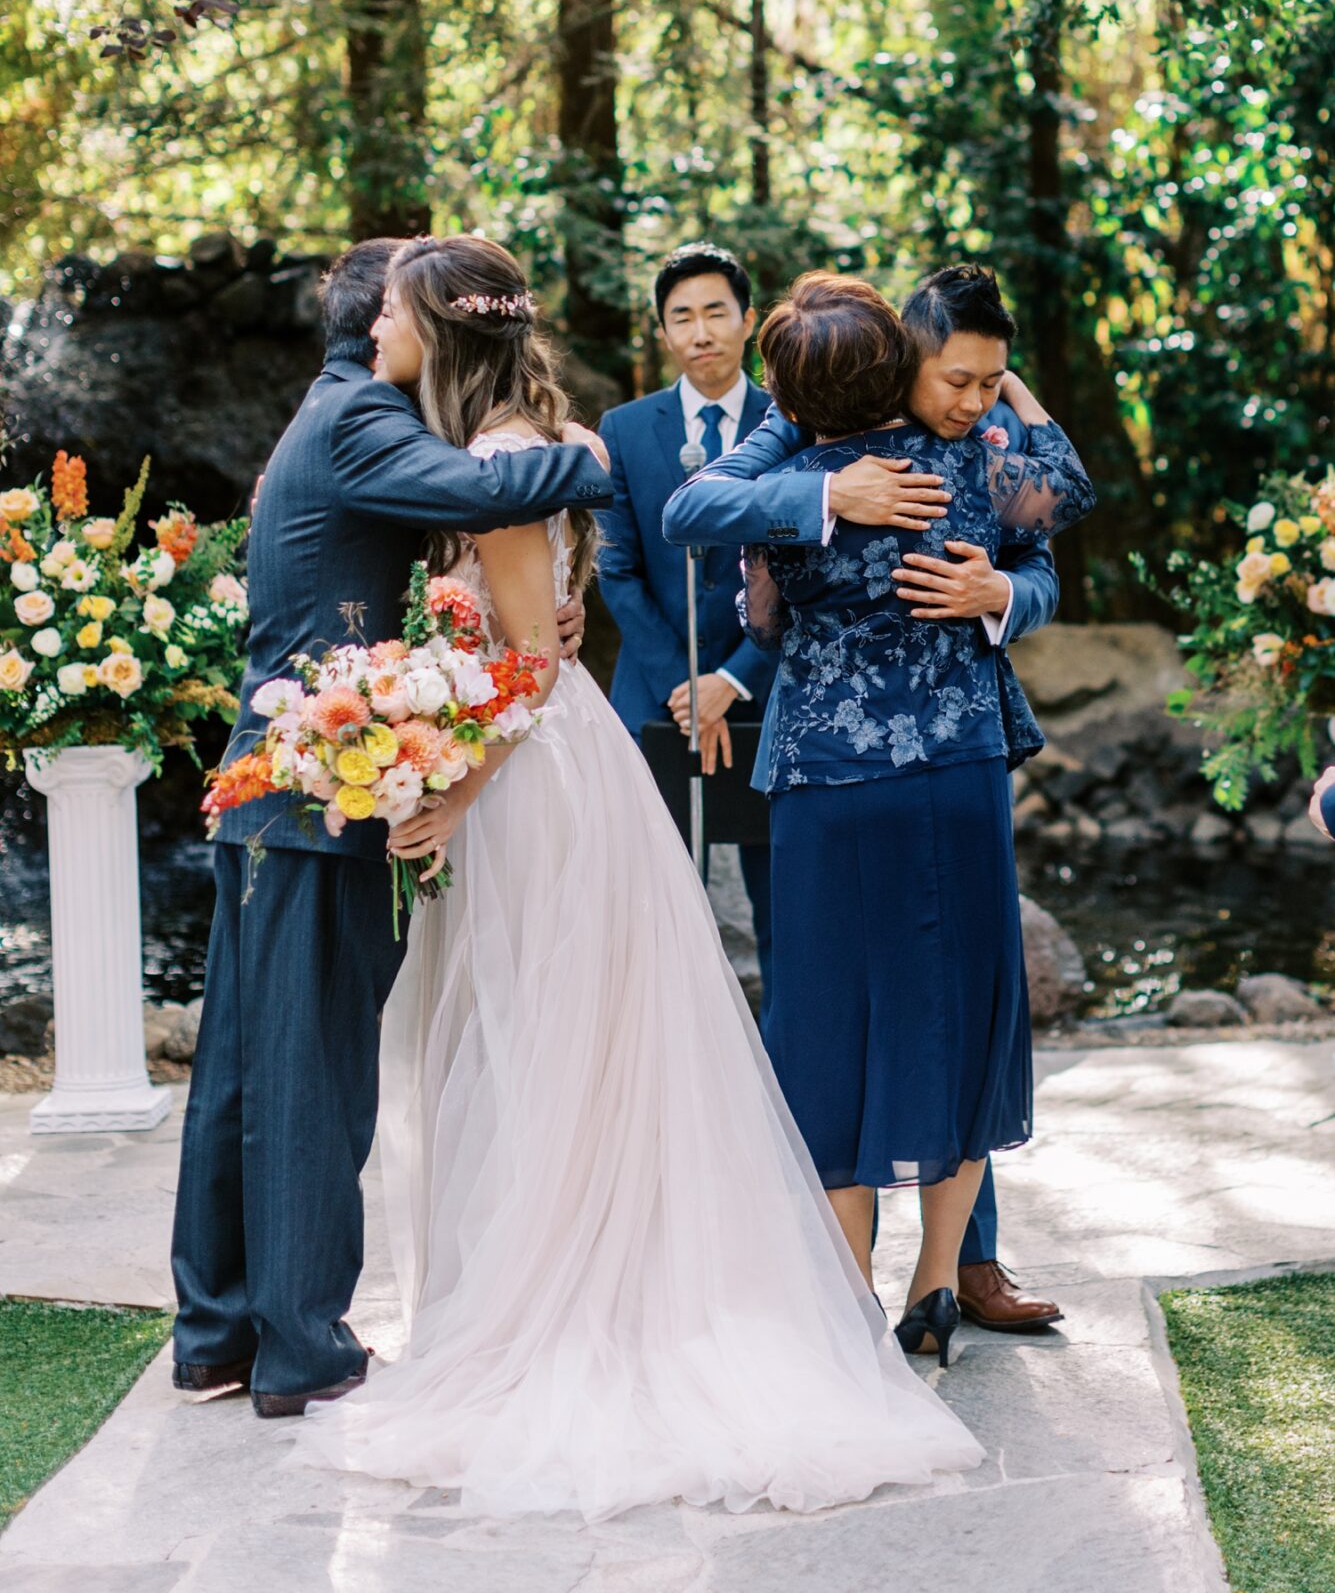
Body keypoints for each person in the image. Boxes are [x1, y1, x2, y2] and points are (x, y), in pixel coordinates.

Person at [293, 234, 985, 1518]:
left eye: (396, 315)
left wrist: (448, 791)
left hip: (531, 786)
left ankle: (555, 1307)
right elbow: (551, 619)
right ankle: (542, 1286)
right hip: (559, 768)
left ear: (441, 336)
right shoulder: (529, 438)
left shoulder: (500, 459)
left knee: (541, 1052)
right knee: (558, 1050)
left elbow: (531, 665)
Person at [170, 237, 613, 1419]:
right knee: (310, 1069)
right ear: (386, 319)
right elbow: (487, 493)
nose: (389, 340)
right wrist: (594, 453)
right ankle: (303, 1347)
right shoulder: (365, 414)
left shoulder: (330, 413)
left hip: (276, 790)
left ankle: (217, 1330)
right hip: (318, 794)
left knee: (241, 1071)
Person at [666, 270, 1095, 1363]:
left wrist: (1000, 593)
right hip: (954, 768)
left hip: (826, 778)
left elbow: (742, 585)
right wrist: (1020, 418)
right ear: (902, 360)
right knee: (961, 1013)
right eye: (964, 377)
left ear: (795, 390)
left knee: (829, 1024)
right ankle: (935, 1280)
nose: (978, 395)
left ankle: (841, 1292)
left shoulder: (793, 470)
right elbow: (1066, 495)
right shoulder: (977, 468)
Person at [596, 242, 776, 1003]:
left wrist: (731, 679)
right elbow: (616, 567)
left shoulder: (791, 421)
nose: (699, 331)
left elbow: (803, 578)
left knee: (781, 891)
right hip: (655, 694)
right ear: (662, 332)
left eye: (714, 312)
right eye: (681, 317)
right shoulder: (625, 428)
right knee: (653, 893)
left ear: (748, 321)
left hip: (765, 690)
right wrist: (684, 684)